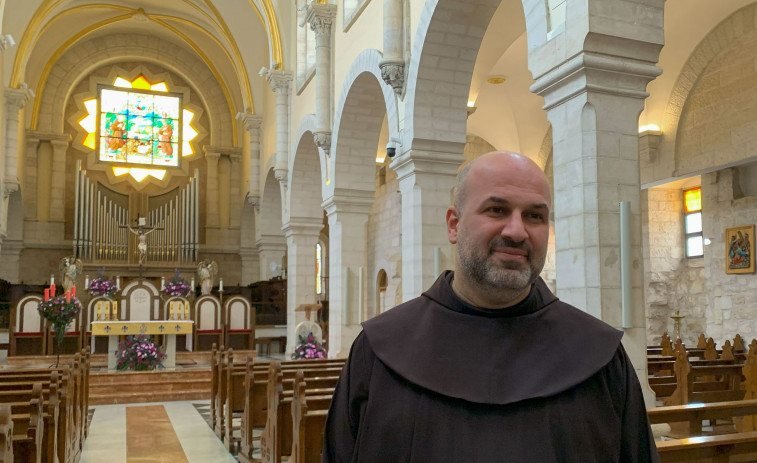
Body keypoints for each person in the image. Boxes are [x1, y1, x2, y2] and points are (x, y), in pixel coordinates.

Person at [321, 151, 659, 462]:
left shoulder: (599, 356)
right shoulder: (379, 351)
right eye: (496, 210)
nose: (517, 231)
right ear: (454, 224)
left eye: (534, 216)